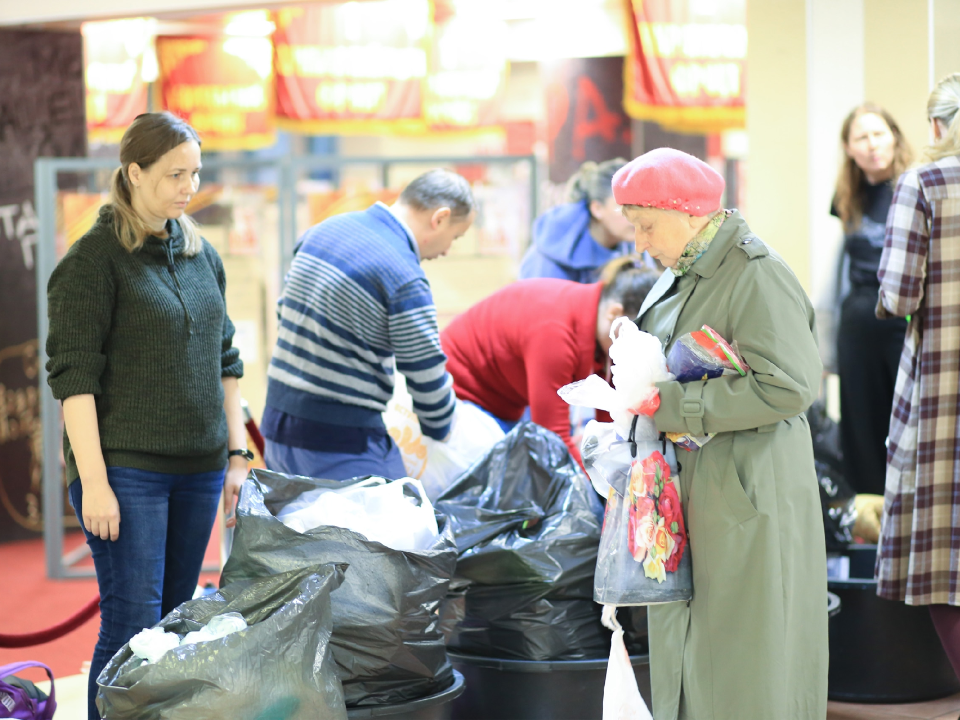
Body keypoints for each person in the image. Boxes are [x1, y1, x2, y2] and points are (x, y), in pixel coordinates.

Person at [45, 112, 248, 720]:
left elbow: (225, 358)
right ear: (134, 174)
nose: (189, 187)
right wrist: (96, 482)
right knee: (133, 628)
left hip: (200, 465)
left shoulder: (199, 250)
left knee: (172, 626)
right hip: (127, 472)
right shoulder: (92, 261)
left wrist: (238, 457)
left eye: (195, 173)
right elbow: (73, 382)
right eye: (173, 175)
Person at [617, 147, 828, 719]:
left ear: (688, 213)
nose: (639, 240)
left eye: (646, 225)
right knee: (689, 653)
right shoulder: (679, 273)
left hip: (747, 489)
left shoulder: (756, 273)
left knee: (747, 657)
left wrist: (675, 404)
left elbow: (789, 387)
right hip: (685, 487)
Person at [261, 169, 476, 480]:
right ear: (439, 218)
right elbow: (425, 373)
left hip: (278, 426)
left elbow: (286, 313)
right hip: (339, 439)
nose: (446, 250)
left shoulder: (323, 230)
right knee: (397, 524)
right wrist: (446, 429)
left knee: (299, 526)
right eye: (454, 237)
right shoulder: (404, 276)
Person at [876, 72, 960, 679]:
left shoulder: (925, 182)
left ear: (936, 126)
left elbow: (900, 293)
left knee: (943, 562)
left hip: (942, 395)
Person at [440, 257, 659, 464]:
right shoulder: (555, 333)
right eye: (632, 338)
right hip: (460, 397)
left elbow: (608, 417)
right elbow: (552, 438)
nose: (633, 353)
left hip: (499, 402)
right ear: (614, 313)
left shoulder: (596, 326)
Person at [830, 104, 913, 496]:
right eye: (861, 137)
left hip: (904, 317)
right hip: (858, 320)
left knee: (910, 419)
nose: (872, 144)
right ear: (849, 147)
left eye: (878, 133)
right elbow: (840, 267)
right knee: (860, 425)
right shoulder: (847, 195)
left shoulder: (915, 185)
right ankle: (868, 515)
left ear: (894, 136)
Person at [519, 158, 637, 282]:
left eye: (640, 206)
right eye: (624, 207)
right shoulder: (549, 259)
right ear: (597, 209)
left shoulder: (635, 246)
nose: (636, 215)